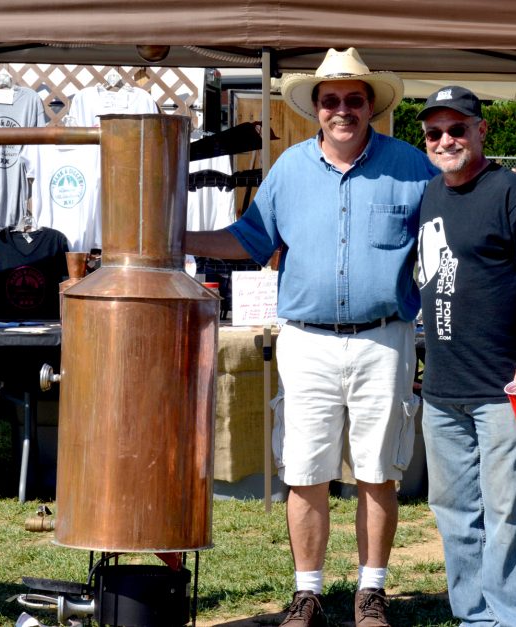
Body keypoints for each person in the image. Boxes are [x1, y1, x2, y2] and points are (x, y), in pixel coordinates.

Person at [186, 48, 436, 627]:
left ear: (370, 105)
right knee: (305, 470)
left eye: (353, 99)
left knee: (380, 471)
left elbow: (450, 238)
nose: (342, 110)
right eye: (331, 101)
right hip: (305, 340)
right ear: (317, 108)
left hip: (385, 338)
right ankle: (308, 594)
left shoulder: (412, 166)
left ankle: (370, 593)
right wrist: (171, 234)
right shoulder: (289, 170)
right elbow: (249, 240)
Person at [416, 86, 516, 626]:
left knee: (504, 512)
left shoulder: (512, 191)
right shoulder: (430, 193)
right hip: (441, 389)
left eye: (458, 128)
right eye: (434, 132)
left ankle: (515, 617)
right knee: (454, 511)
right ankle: (474, 616)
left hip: (502, 387)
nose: (446, 139)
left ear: (482, 131)